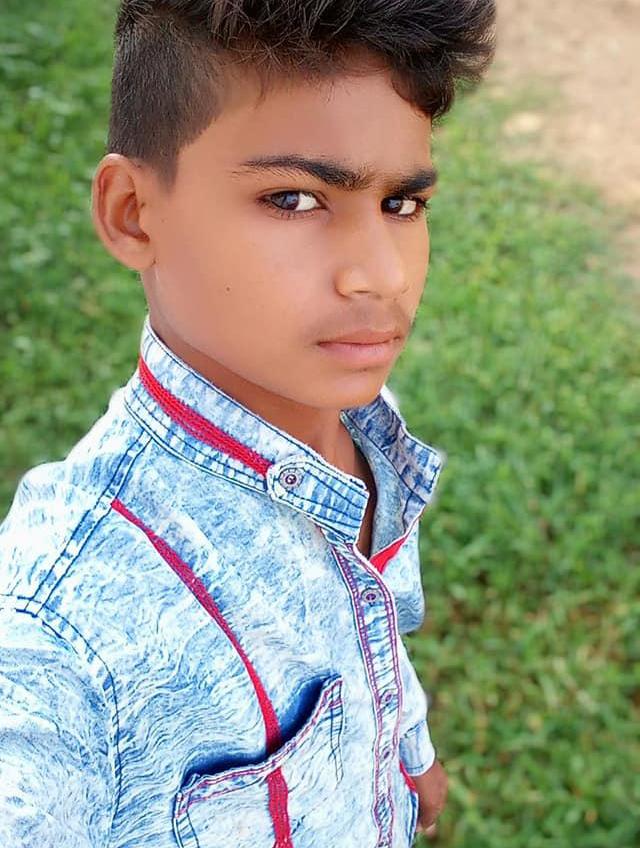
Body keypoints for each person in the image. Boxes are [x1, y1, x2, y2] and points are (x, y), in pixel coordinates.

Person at [0, 2, 495, 846]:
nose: (380, 275)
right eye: (294, 199)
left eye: (403, 203)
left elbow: (369, 620)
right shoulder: (60, 632)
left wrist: (404, 747)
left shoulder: (359, 426)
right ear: (132, 212)